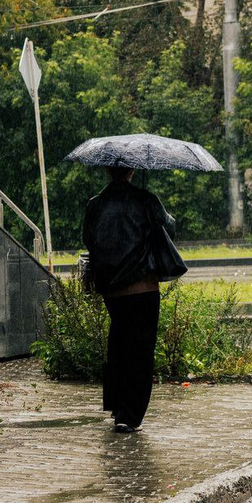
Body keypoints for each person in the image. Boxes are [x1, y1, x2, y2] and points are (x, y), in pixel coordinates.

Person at [82, 166, 176, 433]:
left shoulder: (95, 204)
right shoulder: (146, 200)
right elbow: (170, 229)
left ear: (107, 170)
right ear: (133, 170)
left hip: (112, 289)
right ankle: (131, 415)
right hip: (143, 287)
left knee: (119, 346)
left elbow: (88, 239)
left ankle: (118, 408)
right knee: (141, 350)